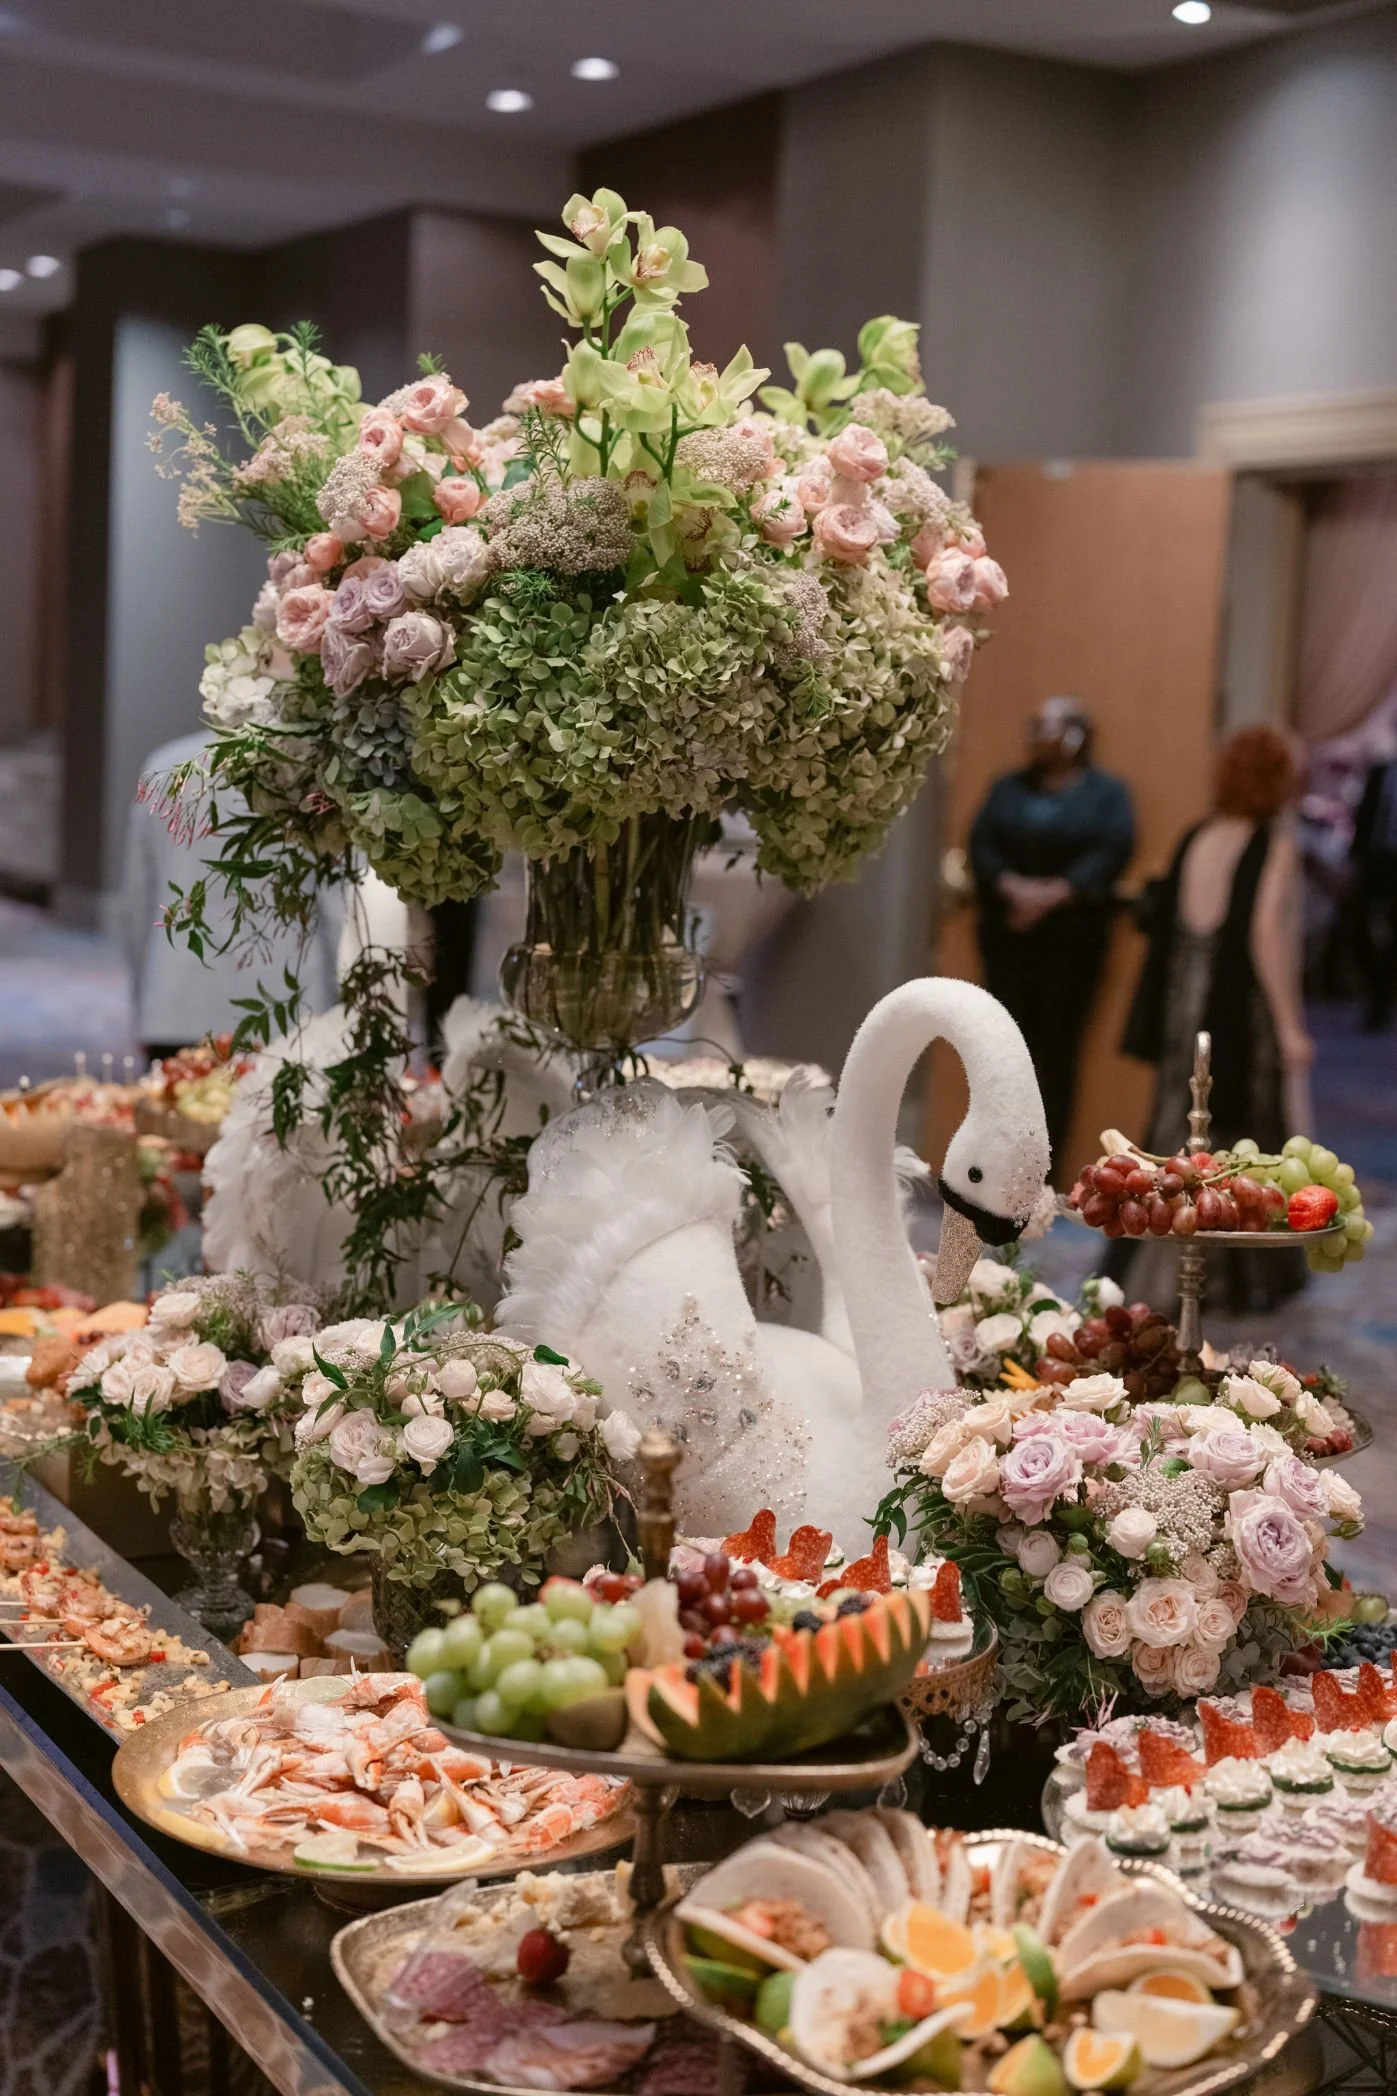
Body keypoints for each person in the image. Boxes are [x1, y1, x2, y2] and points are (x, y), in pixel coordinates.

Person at [1121, 725, 1311, 1309]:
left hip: (1184, 1001)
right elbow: (1264, 938)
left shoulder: (1196, 836)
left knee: (1175, 1124)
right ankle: (1231, 1282)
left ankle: (1160, 1260)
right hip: (1235, 1008)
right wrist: (1289, 1027)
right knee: (1238, 1134)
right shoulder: (1272, 845)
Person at [969, 698, 1134, 1176]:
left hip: (1071, 943)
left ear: (1076, 734)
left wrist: (1055, 894)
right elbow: (981, 844)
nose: (1037, 735)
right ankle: (992, 1164)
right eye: (1033, 724)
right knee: (1002, 1053)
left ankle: (1044, 1168)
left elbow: (1112, 848)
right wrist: (1014, 889)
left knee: (1056, 1055)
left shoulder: (1106, 793)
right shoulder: (1007, 787)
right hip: (1008, 940)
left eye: (1048, 726)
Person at [122, 729, 343, 1064]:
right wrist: (348, 1010)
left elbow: (138, 904)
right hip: (288, 1009)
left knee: (174, 1113)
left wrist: (146, 998)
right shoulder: (308, 774)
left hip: (176, 1003)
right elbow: (336, 908)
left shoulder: (165, 768)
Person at [1351, 743, 1397, 1030]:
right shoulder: (1380, 771)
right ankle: (1378, 993)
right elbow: (1364, 818)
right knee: (1359, 931)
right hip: (1376, 863)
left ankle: (1382, 1002)